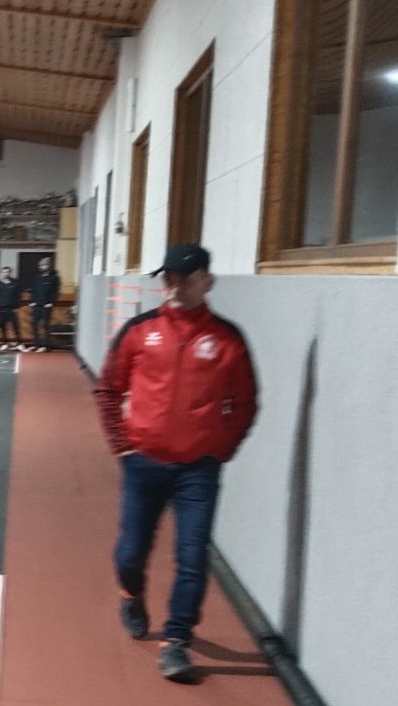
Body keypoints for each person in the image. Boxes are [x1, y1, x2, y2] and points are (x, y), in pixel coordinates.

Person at [94, 244, 259, 683]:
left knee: (192, 556)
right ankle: (131, 593)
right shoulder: (139, 331)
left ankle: (177, 641)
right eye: (169, 278)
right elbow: (108, 389)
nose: (176, 286)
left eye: (187, 278)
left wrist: (221, 449)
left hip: (197, 470)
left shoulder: (227, 339)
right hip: (143, 463)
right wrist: (123, 446)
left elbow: (245, 402)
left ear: (208, 281)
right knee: (130, 552)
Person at [30, 257, 61, 352]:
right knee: (34, 325)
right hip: (36, 304)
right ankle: (37, 344)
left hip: (46, 305)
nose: (42, 267)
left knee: (45, 325)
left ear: (49, 266)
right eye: (41, 265)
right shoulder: (37, 277)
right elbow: (34, 290)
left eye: (44, 265)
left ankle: (45, 345)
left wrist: (51, 302)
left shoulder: (54, 278)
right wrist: (32, 301)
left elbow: (56, 292)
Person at [0, 268, 25, 351]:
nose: (6, 273)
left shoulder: (15, 283)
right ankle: (4, 343)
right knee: (2, 327)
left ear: (10, 273)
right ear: (1, 273)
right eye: (4, 272)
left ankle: (19, 343)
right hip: (1, 308)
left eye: (7, 272)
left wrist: (16, 307)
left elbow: (18, 296)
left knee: (15, 327)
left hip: (12, 309)